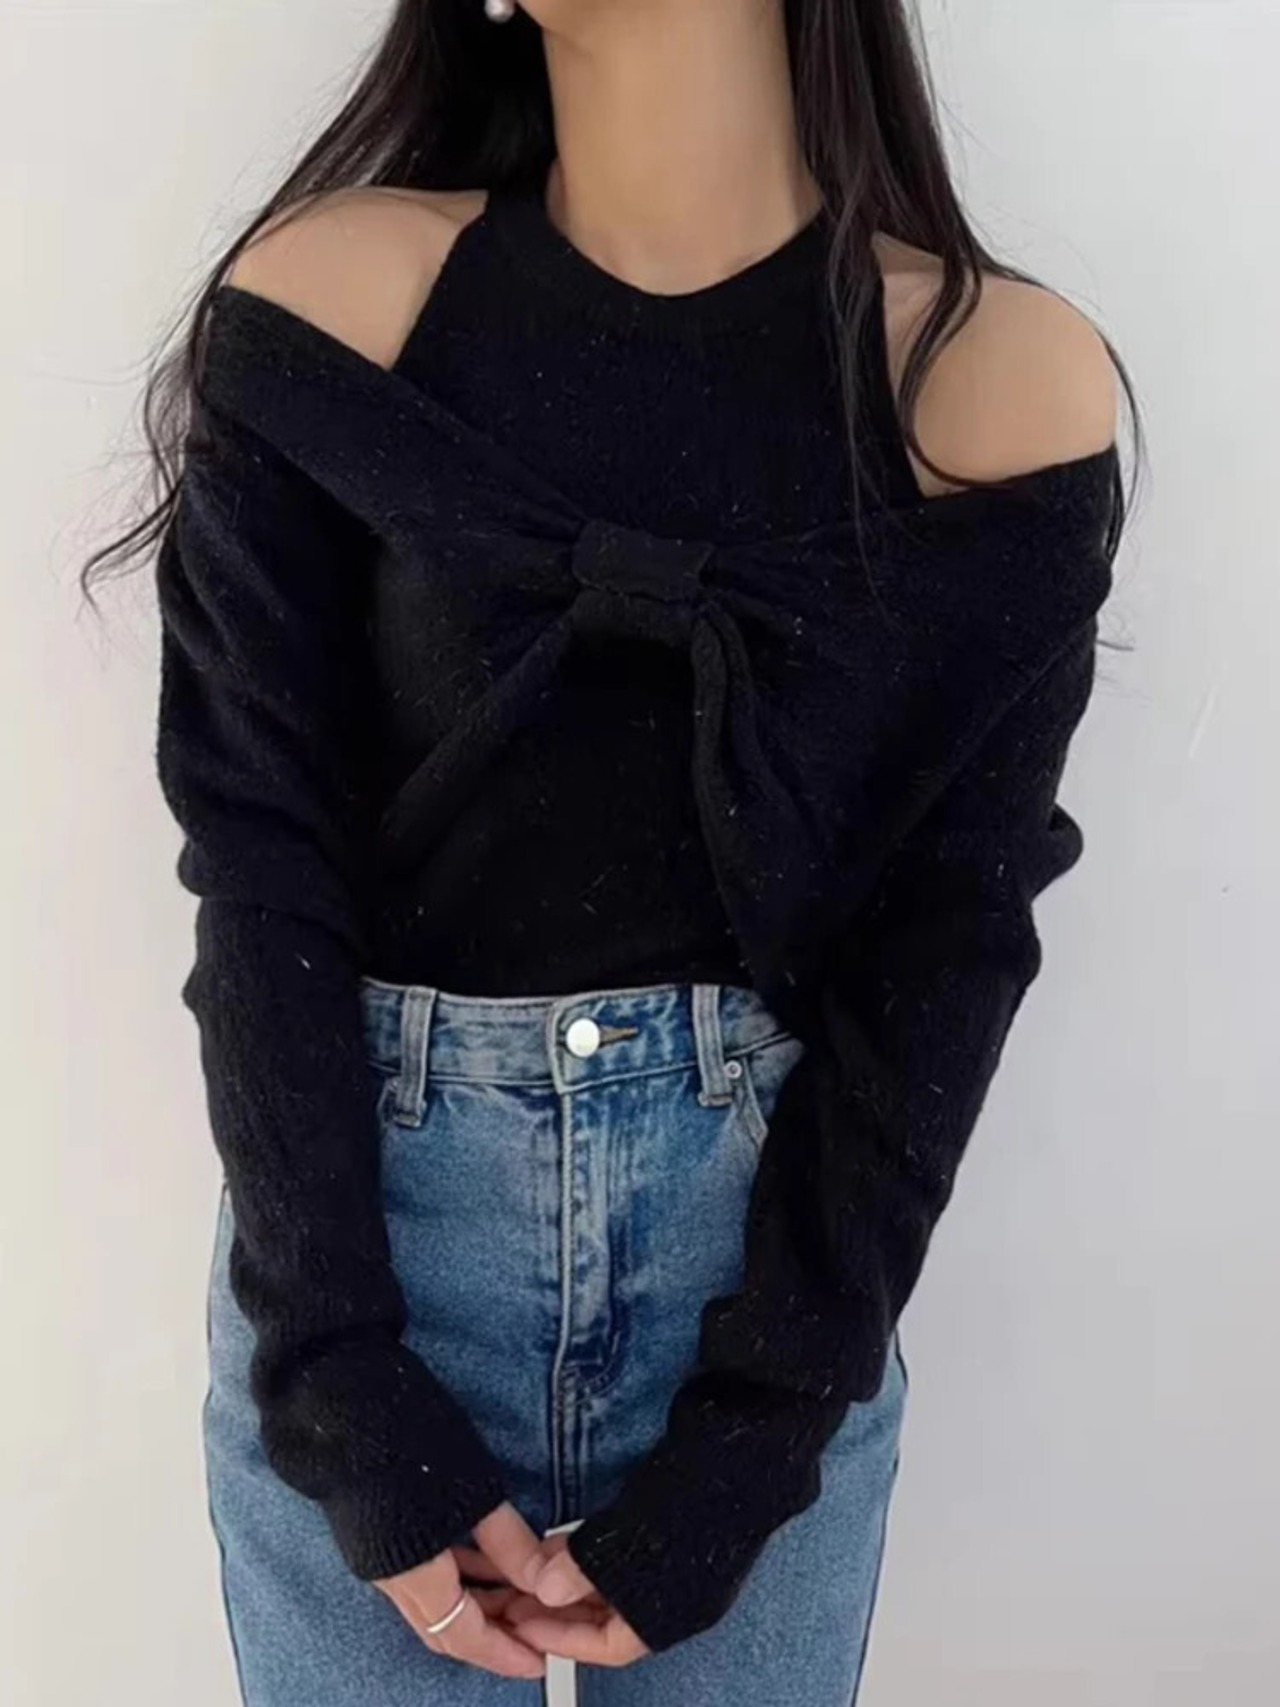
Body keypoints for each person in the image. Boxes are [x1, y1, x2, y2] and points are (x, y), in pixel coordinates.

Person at [81, 2, 1140, 1702]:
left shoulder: (993, 382)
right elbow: (258, 866)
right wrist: (341, 1377)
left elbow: (948, 940)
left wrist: (763, 1428)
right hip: (361, 1250)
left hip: (770, 1274)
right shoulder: (331, 306)